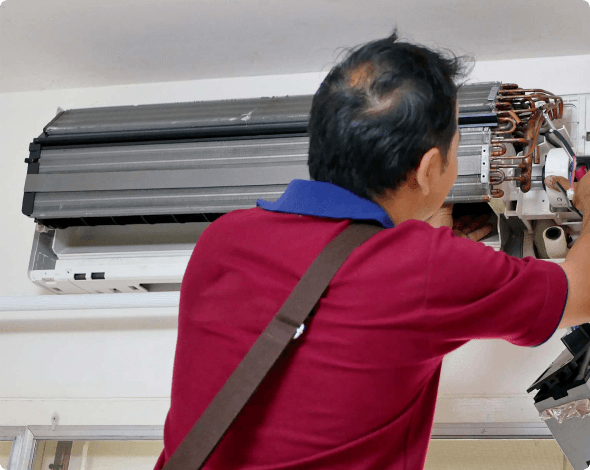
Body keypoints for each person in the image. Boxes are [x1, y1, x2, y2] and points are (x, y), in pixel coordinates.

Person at [154, 31, 590, 470]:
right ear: (428, 170)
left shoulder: (224, 239)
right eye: (456, 147)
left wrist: (425, 235)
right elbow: (581, 294)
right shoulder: (424, 265)